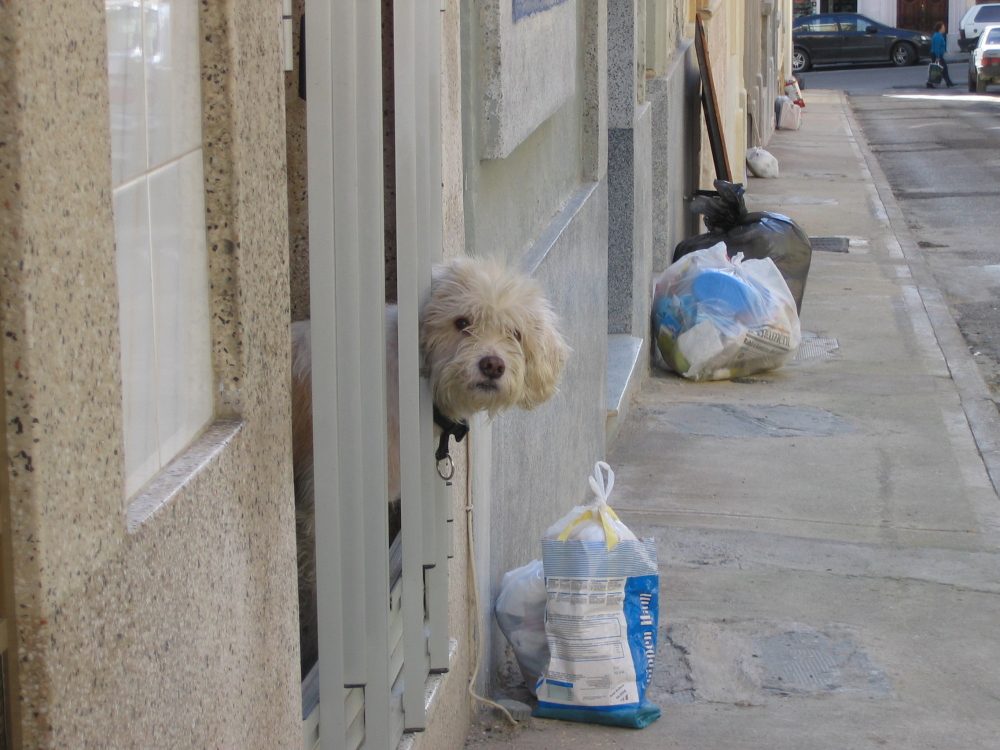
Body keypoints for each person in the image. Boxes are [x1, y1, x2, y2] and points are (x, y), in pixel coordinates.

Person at [928, 21, 955, 88]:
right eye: (943, 27)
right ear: (940, 28)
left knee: (940, 69)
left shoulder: (938, 35)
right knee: (941, 68)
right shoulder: (938, 36)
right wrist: (937, 57)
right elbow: (937, 47)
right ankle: (930, 83)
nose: (944, 28)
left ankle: (948, 82)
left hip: (937, 55)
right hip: (937, 55)